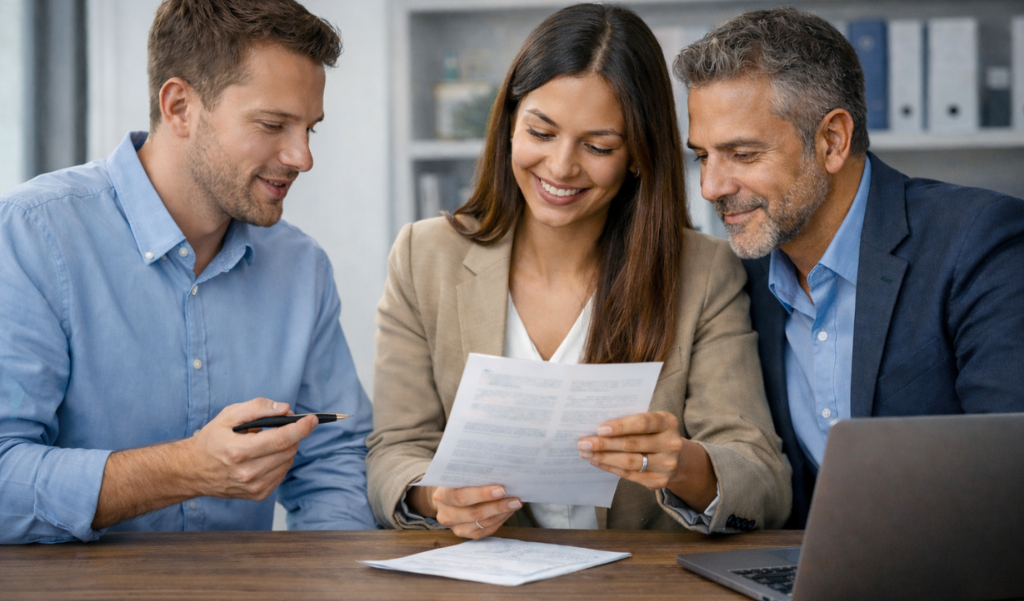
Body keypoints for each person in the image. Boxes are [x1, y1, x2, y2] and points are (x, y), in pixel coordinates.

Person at [366, 4, 791, 539]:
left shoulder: (704, 272)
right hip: (484, 579)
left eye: (598, 147)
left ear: (637, 154)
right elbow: (394, 450)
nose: (562, 166)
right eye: (540, 133)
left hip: (638, 584)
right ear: (509, 126)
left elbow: (764, 482)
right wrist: (436, 496)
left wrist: (682, 465)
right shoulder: (423, 256)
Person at [0, 0, 377, 544]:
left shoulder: (301, 267)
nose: (302, 157)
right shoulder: (30, 235)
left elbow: (332, 460)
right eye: (273, 124)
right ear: (179, 107)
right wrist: (185, 469)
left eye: (309, 129)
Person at [676, 7, 1024, 529]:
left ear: (833, 141)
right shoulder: (736, 278)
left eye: (743, 154)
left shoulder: (977, 241)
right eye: (703, 156)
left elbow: (1009, 477)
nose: (711, 187)